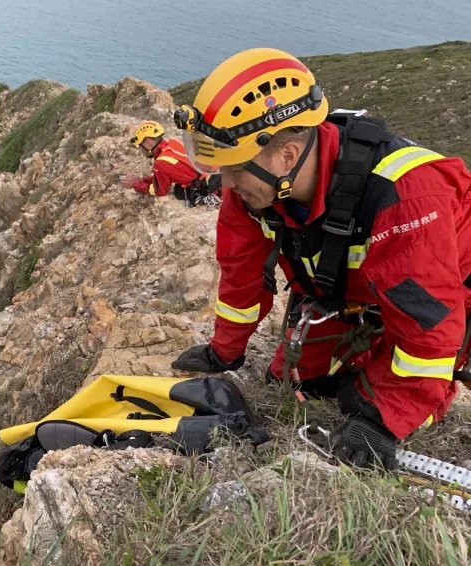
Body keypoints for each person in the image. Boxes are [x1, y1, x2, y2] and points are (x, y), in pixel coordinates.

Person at [170, 47, 471, 469]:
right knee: (293, 380)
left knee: (363, 401)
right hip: (351, 289)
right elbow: (240, 277)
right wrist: (225, 351)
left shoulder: (405, 195)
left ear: (286, 156)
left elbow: (429, 326)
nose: (227, 183)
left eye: (234, 169)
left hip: (444, 292)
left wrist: (382, 422)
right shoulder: (256, 189)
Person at [119, 120, 222, 207]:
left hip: (210, 185)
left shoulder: (161, 163)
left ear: (148, 143)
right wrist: (142, 179)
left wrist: (135, 184)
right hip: (216, 173)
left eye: (140, 145)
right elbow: (163, 176)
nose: (141, 150)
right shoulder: (173, 142)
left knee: (180, 193)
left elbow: (160, 190)